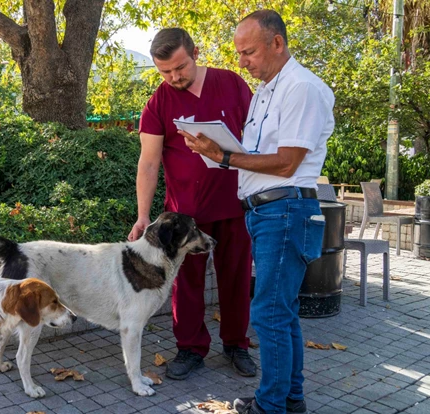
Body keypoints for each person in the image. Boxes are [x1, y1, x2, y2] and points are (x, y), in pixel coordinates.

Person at [182, 10, 335, 414]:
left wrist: (225, 156)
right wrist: (217, 152)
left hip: (284, 210)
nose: (242, 62)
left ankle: (270, 406)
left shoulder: (301, 88)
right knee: (280, 314)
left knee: (267, 312)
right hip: (268, 212)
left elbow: (286, 162)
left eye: (248, 52)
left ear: (277, 43)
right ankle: (289, 399)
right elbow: (260, 155)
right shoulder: (267, 91)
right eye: (238, 54)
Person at [128, 28, 256, 381]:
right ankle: (189, 349)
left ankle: (237, 345)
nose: (174, 77)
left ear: (195, 52)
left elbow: (259, 136)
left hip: (235, 204)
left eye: (180, 68)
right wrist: (143, 215)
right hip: (184, 217)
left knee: (236, 278)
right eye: (165, 72)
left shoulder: (232, 84)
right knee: (185, 284)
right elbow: (149, 163)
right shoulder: (158, 102)